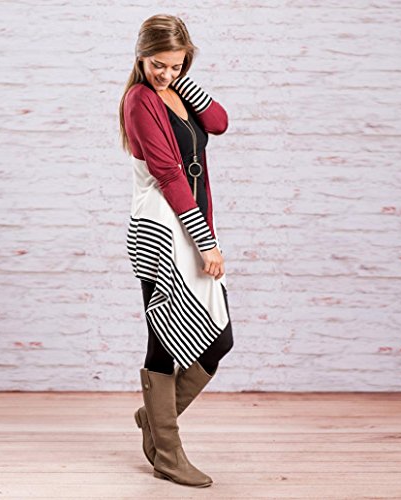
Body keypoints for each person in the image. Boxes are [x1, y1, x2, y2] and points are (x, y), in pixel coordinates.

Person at [118, 14, 234, 488]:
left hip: (191, 224)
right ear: (141, 56)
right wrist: (206, 243)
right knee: (163, 340)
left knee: (219, 338)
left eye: (176, 65)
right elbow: (168, 175)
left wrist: (182, 82)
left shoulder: (176, 90)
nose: (165, 73)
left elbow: (219, 123)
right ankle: (167, 452)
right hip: (161, 230)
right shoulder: (139, 100)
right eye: (158, 65)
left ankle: (154, 416)